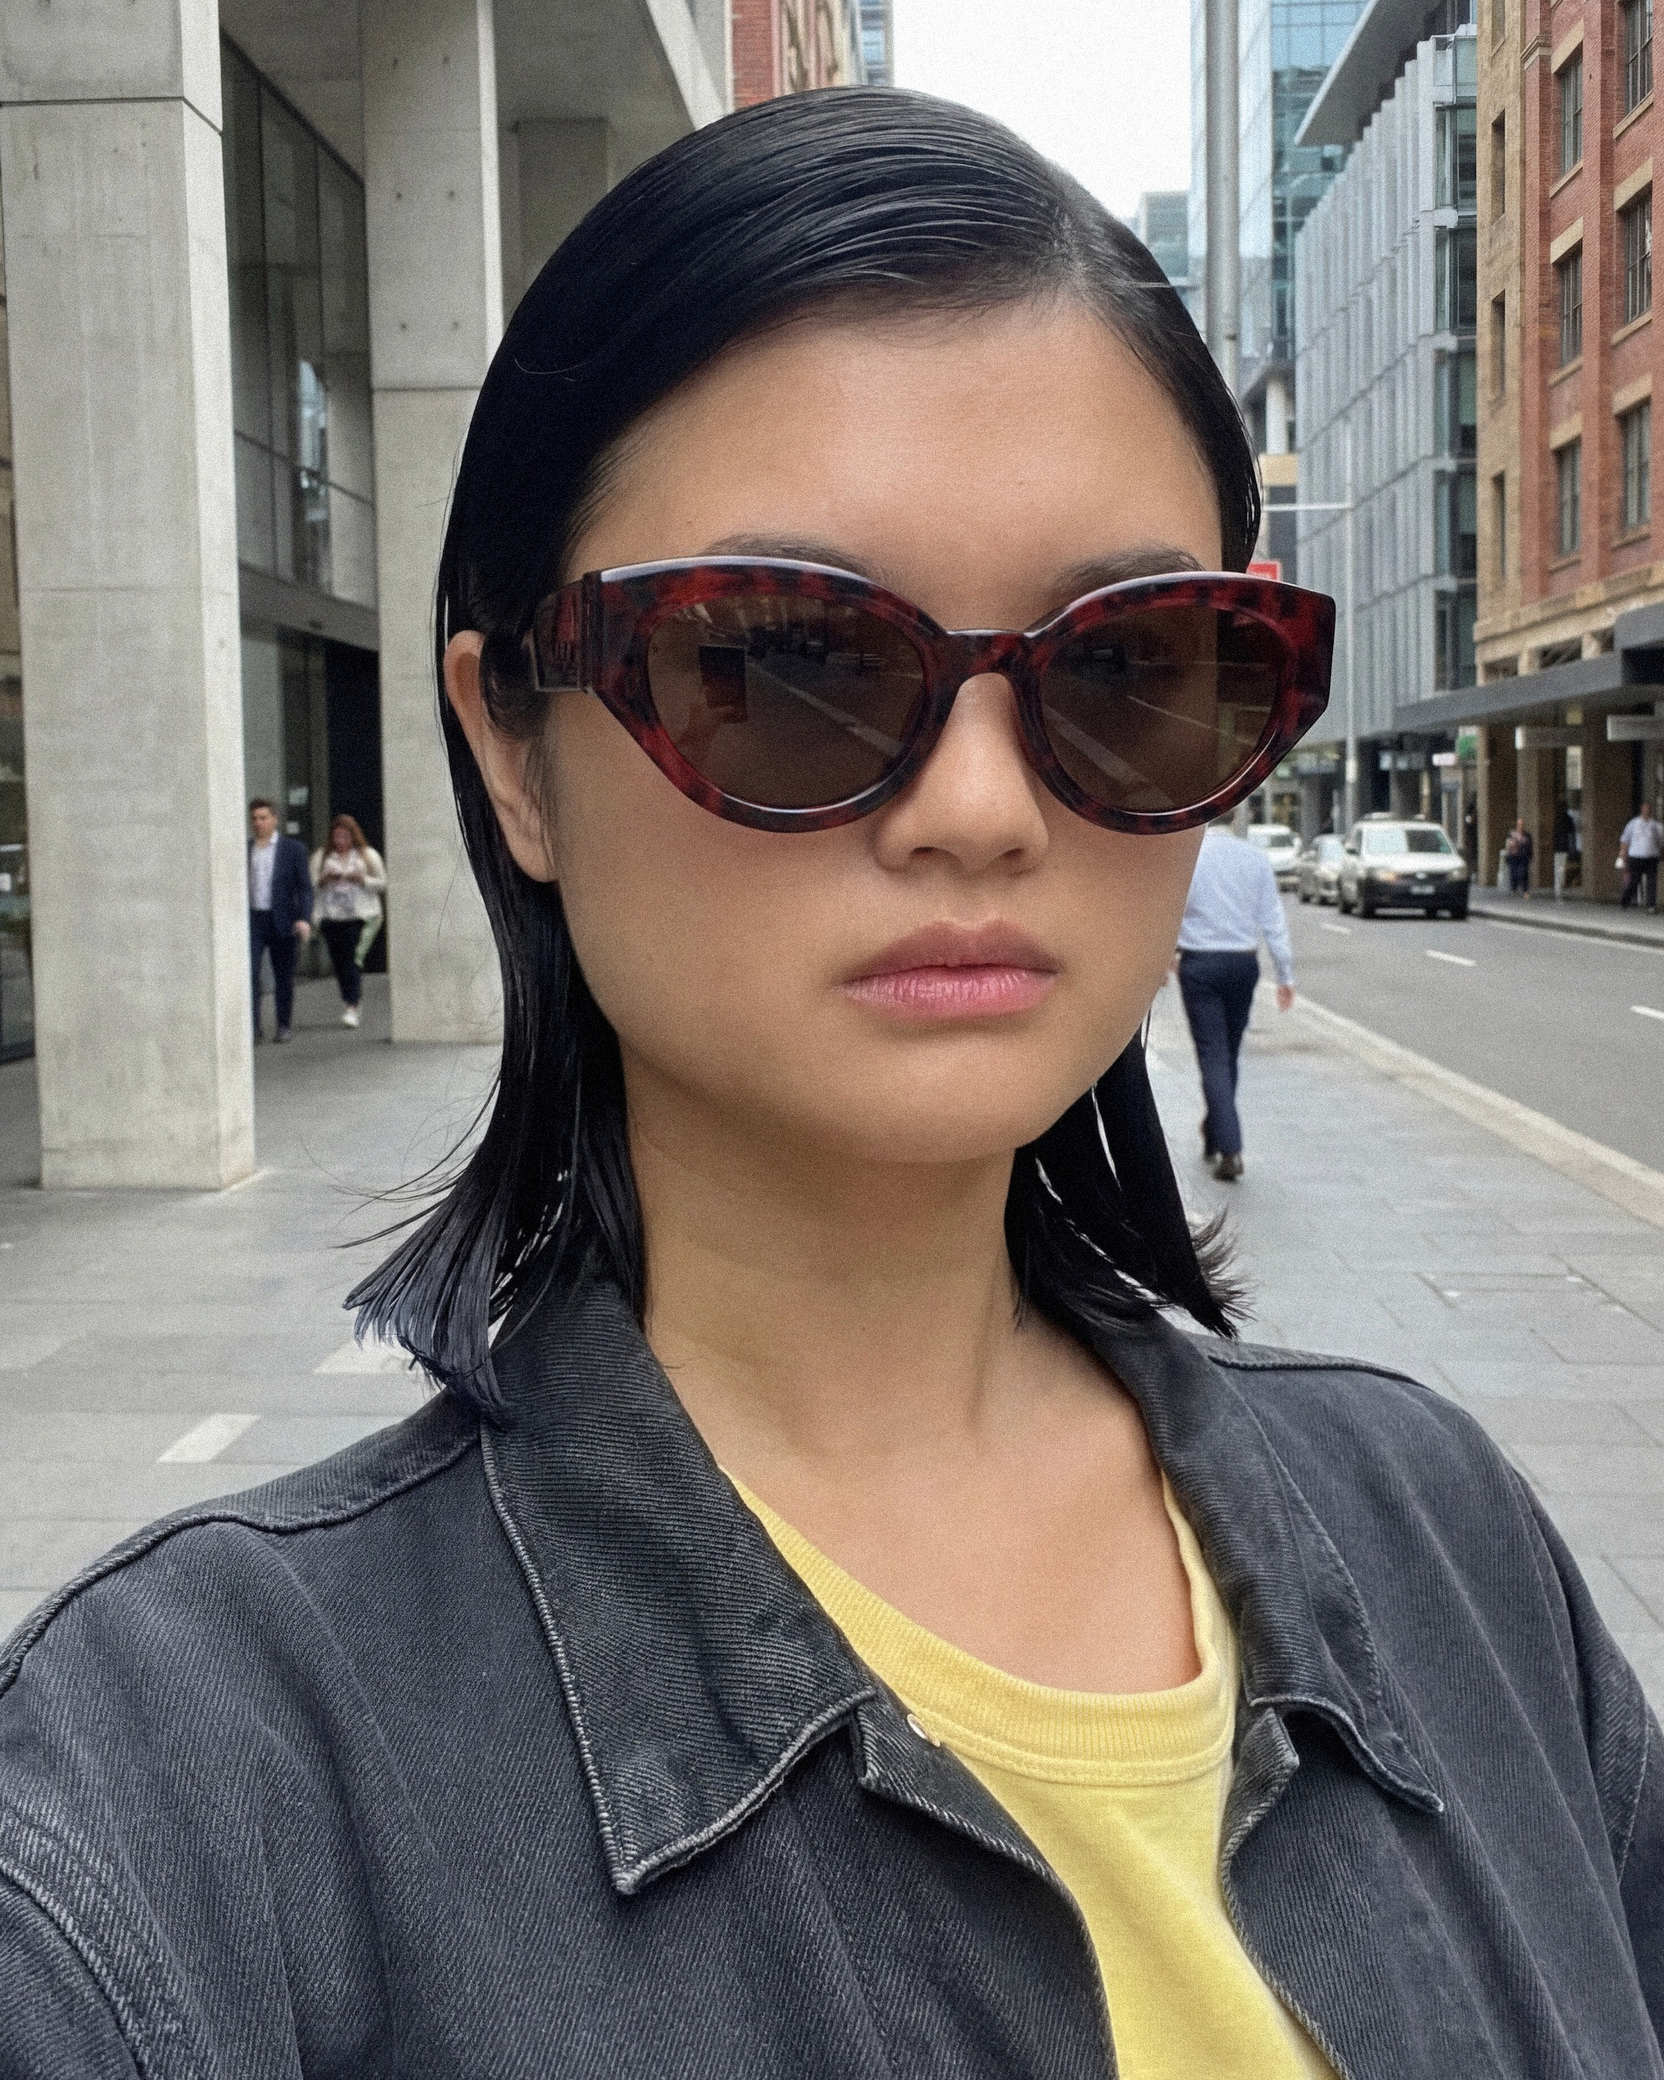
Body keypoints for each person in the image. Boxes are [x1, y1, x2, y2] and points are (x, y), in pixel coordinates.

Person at [2, 91, 1659, 2080]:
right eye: (785, 658)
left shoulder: (1444, 1536)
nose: (980, 807)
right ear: (514, 748)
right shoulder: (178, 1789)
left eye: (1129, 667)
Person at [1174, 817, 1296, 1182]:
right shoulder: (1254, 858)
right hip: (1242, 963)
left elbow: (1171, 910)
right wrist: (1285, 974)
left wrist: (1163, 958)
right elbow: (1273, 919)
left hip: (1200, 963)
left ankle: (1229, 1147)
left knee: (1212, 1054)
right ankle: (1216, 1130)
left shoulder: (1191, 857)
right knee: (1228, 1051)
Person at [310, 812, 387, 1028]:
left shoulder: (367, 855)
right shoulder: (322, 856)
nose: (340, 842)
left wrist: (362, 879)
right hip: (331, 915)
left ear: (353, 836)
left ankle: (352, 1005)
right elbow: (311, 884)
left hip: (358, 916)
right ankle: (350, 998)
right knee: (339, 961)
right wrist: (325, 879)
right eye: (337, 837)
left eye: (345, 837)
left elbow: (382, 883)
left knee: (352, 959)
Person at [246, 797, 312, 1042]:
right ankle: (253, 1027)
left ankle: (283, 1025)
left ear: (274, 819)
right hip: (254, 919)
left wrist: (304, 918)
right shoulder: (245, 849)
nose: (258, 823)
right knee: (251, 973)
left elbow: (304, 887)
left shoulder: (293, 850)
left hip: (283, 919)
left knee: (283, 976)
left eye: (263, 818)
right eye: (254, 818)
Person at [1619, 801, 1663, 911]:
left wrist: (1660, 853)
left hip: (1651, 857)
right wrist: (1623, 853)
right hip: (1636, 856)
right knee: (1634, 880)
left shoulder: (1656, 826)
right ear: (1641, 810)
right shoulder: (1633, 824)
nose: (1646, 811)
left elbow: (1661, 842)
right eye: (1644, 808)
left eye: (1648, 809)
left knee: (1652, 882)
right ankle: (1625, 901)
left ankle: (1651, 905)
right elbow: (1625, 839)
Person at [1505, 815, 1533, 895]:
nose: (1520, 826)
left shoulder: (1527, 835)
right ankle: (1513, 889)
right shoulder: (1512, 834)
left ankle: (1525, 890)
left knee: (1523, 873)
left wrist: (1530, 856)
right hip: (1513, 857)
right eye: (1519, 824)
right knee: (1513, 873)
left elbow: (1530, 846)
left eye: (1522, 824)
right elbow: (1508, 845)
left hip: (1524, 857)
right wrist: (1508, 852)